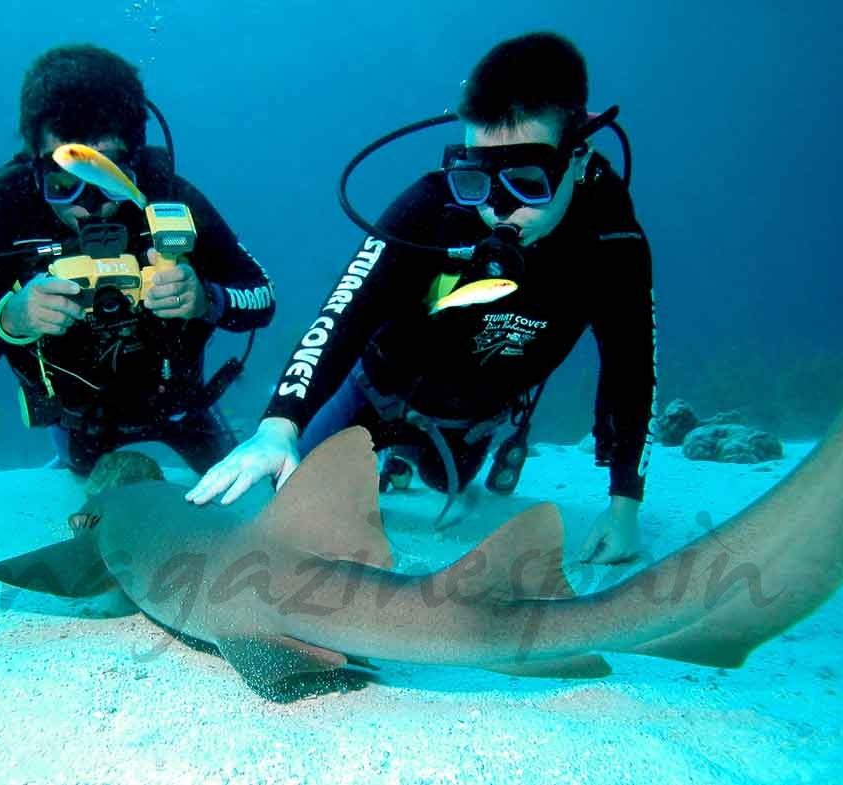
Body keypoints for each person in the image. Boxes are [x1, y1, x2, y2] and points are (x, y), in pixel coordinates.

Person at [187, 32, 655, 564]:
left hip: (470, 419)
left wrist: (624, 508)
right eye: (479, 177)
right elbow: (344, 312)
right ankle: (381, 454)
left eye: (528, 181)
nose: (498, 208)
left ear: (578, 155)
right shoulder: (432, 204)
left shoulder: (611, 237)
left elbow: (631, 364)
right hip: (375, 390)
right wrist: (277, 428)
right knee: (291, 496)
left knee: (441, 477)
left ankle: (411, 462)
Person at [0, 44, 275, 476]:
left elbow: (262, 296)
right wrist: (9, 319)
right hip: (78, 429)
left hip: (182, 407)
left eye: (108, 175)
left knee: (248, 509)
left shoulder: (167, 200)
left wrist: (208, 299)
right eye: (64, 181)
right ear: (34, 165)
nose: (88, 205)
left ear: (134, 159)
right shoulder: (7, 215)